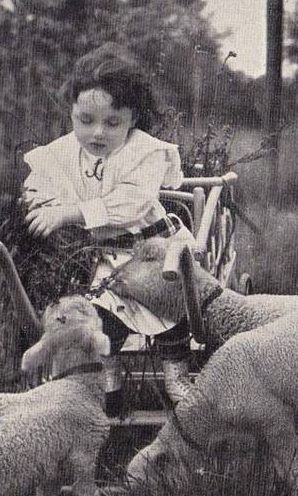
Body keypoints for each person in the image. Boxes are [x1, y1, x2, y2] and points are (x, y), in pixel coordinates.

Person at [21, 43, 193, 417]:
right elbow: (43, 179)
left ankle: (176, 370)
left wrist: (69, 214)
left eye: (112, 123)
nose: (97, 133)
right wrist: (38, 199)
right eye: (85, 120)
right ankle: (109, 380)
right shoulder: (66, 151)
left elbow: (133, 203)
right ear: (72, 111)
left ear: (132, 118)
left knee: (166, 307)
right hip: (107, 258)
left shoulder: (143, 152)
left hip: (152, 247)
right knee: (102, 319)